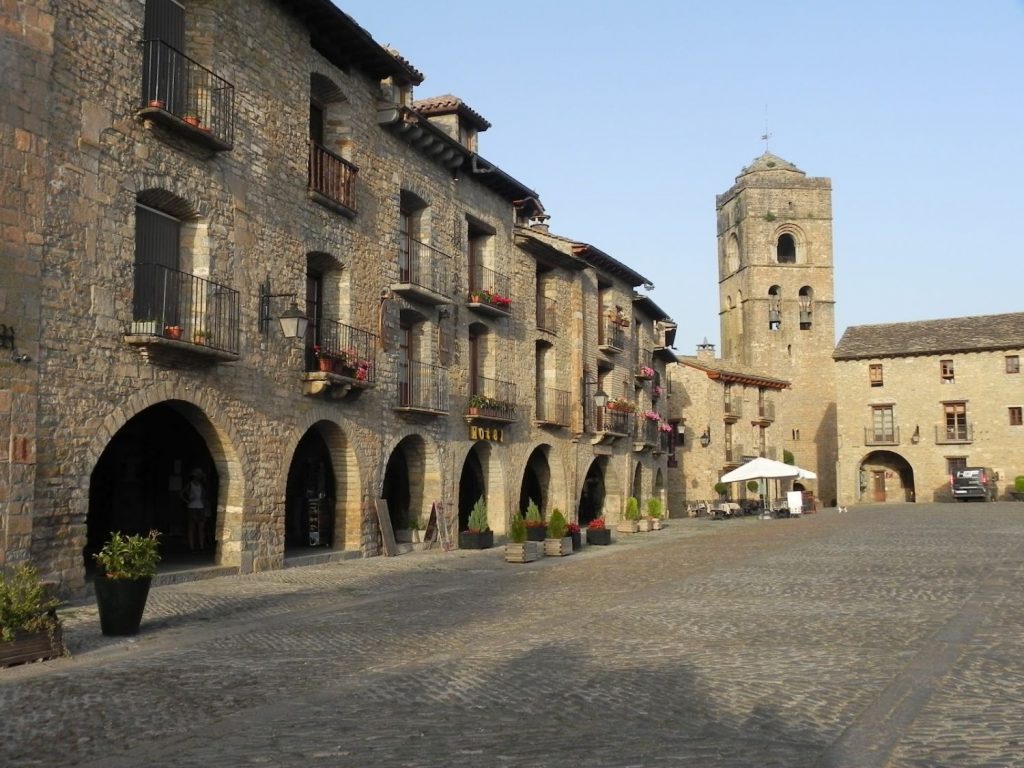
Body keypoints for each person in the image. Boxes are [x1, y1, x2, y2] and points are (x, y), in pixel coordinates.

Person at [181, 468, 207, 551]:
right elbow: (181, 494)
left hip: (201, 507)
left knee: (201, 527)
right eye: (197, 475)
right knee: (192, 527)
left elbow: (204, 495)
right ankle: (191, 547)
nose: (198, 476)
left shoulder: (202, 485)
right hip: (192, 507)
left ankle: (201, 546)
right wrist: (187, 501)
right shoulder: (190, 484)